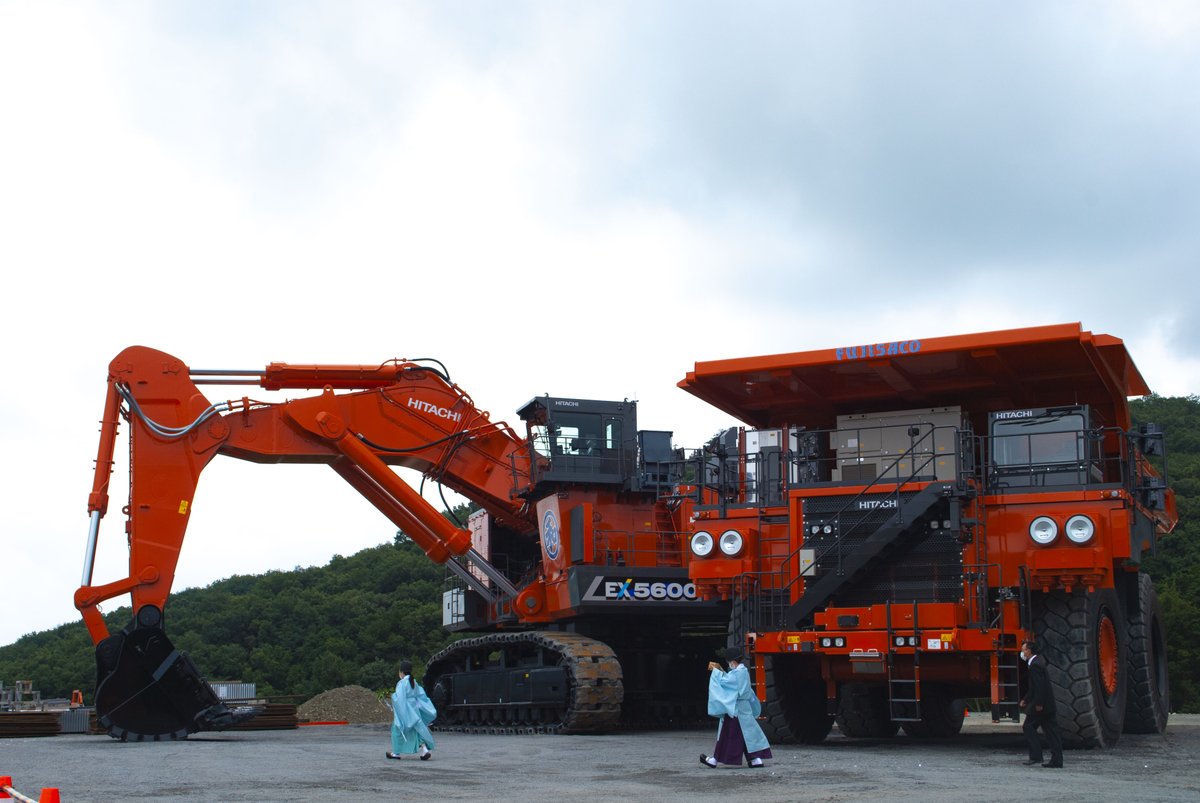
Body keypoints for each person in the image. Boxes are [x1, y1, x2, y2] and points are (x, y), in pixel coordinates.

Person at [700, 647, 772, 768]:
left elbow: (724, 682)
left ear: (732, 662)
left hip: (736, 709)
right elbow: (730, 681)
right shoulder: (742, 672)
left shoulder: (737, 673)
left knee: (726, 735)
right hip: (744, 709)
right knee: (747, 736)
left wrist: (716, 670)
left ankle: (715, 760)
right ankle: (755, 760)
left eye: (729, 662)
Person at [1019, 640, 1063, 768]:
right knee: (1052, 733)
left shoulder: (1035, 665)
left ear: (1029, 651)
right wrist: (1026, 699)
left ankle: (1036, 756)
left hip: (1042, 706)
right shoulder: (1037, 662)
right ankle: (1057, 760)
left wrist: (1038, 703)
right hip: (1047, 705)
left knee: (1028, 727)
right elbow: (1034, 687)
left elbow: (1039, 687)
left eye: (1023, 650)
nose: (1022, 653)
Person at [386, 660, 437, 761]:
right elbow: (421, 695)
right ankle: (424, 750)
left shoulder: (401, 683)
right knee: (417, 730)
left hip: (406, 709)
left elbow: (399, 699)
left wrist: (391, 696)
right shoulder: (414, 682)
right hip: (415, 709)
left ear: (401, 672)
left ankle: (396, 753)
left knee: (397, 729)